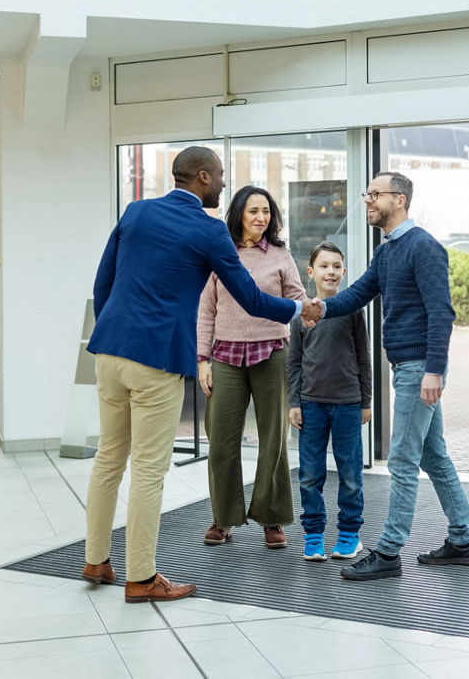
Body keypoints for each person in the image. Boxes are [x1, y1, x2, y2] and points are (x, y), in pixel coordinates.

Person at [82, 147, 323, 603]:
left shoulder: (136, 212)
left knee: (109, 457)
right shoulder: (209, 230)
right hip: (156, 359)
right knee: (150, 470)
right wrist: (298, 307)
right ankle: (141, 577)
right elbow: (251, 299)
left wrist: (114, 327)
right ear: (202, 176)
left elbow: (103, 282)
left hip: (109, 349)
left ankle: (96, 559)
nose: (224, 186)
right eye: (221, 178)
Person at [316, 171, 469, 581]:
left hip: (418, 368)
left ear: (400, 199)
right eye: (366, 192)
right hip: (407, 367)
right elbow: (358, 294)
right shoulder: (387, 250)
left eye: (374, 194)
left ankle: (388, 552)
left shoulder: (423, 247)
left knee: (403, 460)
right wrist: (319, 308)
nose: (367, 200)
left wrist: (434, 370)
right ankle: (462, 540)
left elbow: (442, 313)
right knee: (432, 455)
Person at [197, 186, 305, 549]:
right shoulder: (221, 254)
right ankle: (223, 517)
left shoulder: (279, 255)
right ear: (239, 215)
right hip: (225, 356)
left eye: (266, 211)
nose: (261, 218)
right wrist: (202, 361)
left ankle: (271, 519)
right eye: (253, 211)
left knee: (273, 440)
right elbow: (206, 311)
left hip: (272, 352)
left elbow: (297, 300)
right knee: (222, 442)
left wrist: (318, 308)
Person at [287, 241, 372, 562]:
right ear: (310, 272)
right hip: (311, 406)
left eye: (337, 266)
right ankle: (313, 535)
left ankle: (350, 534)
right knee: (310, 474)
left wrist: (366, 400)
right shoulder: (302, 313)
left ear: (344, 272)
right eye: (324, 266)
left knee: (350, 473)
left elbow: (364, 358)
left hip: (349, 404)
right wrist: (294, 401)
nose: (331, 272)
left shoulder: (351, 310)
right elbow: (294, 361)